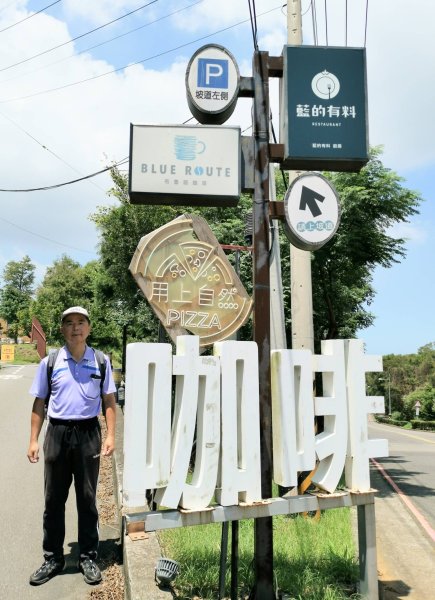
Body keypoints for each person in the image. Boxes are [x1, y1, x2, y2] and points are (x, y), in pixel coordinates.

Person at [27, 306, 117, 586]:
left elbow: (109, 401)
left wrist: (111, 435)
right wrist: (33, 439)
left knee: (87, 498)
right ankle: (53, 558)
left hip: (89, 432)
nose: (75, 327)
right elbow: (39, 402)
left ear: (89, 328)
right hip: (58, 432)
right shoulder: (50, 362)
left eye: (81, 322)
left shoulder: (101, 360)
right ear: (62, 329)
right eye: (69, 323)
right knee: (53, 499)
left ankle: (88, 556)